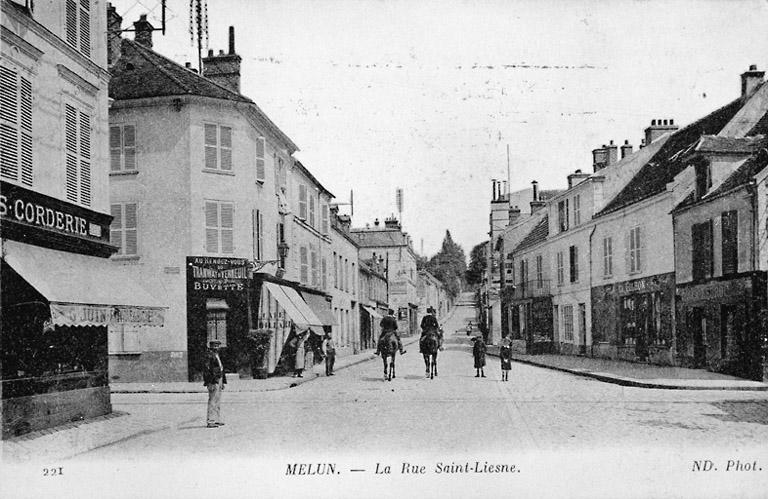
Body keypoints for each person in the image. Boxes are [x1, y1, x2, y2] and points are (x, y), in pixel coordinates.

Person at [203, 340, 226, 428]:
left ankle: (216, 419)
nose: (216, 348)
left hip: (219, 379)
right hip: (213, 380)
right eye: (215, 346)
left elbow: (221, 368)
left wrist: (222, 382)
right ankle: (210, 420)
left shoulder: (217, 355)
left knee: (217, 400)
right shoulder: (209, 356)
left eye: (218, 346)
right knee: (212, 400)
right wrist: (209, 382)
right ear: (211, 347)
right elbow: (206, 370)